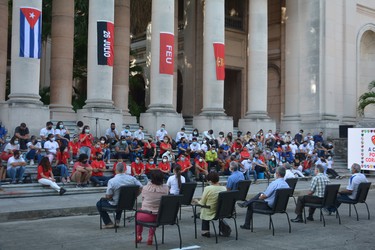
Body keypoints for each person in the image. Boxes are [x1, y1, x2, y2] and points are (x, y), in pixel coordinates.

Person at [97, 162, 142, 228]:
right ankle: (117, 220)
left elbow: (108, 196)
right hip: (128, 203)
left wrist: (106, 197)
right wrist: (134, 196)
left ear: (115, 170)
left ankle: (108, 222)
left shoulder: (112, 181)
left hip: (116, 204)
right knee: (121, 198)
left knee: (99, 203)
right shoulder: (132, 179)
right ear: (124, 170)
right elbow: (141, 187)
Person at [136, 170, 168, 245]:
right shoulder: (166, 188)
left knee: (139, 212)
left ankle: (138, 235)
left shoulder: (145, 188)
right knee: (155, 213)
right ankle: (150, 236)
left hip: (146, 215)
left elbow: (143, 199)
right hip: (159, 216)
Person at [198, 172, 226, 237]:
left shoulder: (208, 188)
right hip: (220, 212)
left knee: (204, 209)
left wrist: (197, 201)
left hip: (210, 211)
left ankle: (205, 231)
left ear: (209, 180)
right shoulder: (224, 188)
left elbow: (202, 202)